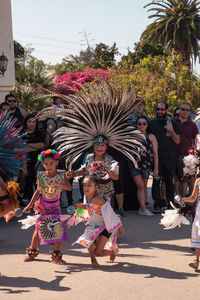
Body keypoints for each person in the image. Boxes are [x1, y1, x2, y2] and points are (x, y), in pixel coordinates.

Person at [23, 149, 72, 264]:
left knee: (57, 231)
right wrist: (29, 205)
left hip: (55, 208)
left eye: (51, 163)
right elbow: (38, 192)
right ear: (42, 164)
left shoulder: (61, 174)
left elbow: (69, 188)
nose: (49, 166)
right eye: (46, 164)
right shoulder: (41, 176)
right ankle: (32, 252)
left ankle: (56, 256)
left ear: (56, 162)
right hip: (42, 208)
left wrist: (57, 184)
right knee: (37, 231)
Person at [74, 175, 124, 267]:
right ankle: (93, 260)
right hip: (93, 225)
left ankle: (112, 253)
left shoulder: (98, 200)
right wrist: (79, 206)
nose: (86, 188)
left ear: (96, 187)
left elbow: (110, 212)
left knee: (99, 252)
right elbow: (88, 206)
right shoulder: (86, 196)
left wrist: (120, 227)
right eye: (84, 185)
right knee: (88, 240)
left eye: (89, 185)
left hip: (105, 226)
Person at [68, 136, 119, 203]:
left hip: (105, 193)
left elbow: (115, 177)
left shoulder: (109, 159)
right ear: (93, 146)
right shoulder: (89, 157)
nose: (99, 148)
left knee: (105, 212)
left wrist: (105, 167)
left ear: (106, 147)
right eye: (97, 145)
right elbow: (84, 170)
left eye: (102, 145)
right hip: (90, 192)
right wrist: (74, 173)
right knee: (89, 212)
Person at [150, 102, 180, 212]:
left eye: (162, 109)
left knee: (169, 183)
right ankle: (157, 205)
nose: (160, 111)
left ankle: (170, 205)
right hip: (156, 159)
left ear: (166, 110)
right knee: (156, 182)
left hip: (169, 158)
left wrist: (171, 130)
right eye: (158, 109)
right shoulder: (152, 123)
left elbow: (177, 141)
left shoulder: (173, 123)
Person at [129, 116, 158, 216]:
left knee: (144, 187)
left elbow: (155, 153)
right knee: (140, 186)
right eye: (139, 124)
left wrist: (156, 167)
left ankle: (142, 208)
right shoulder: (132, 136)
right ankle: (143, 208)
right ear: (136, 125)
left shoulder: (151, 137)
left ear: (147, 125)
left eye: (144, 123)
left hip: (147, 165)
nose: (141, 126)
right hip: (134, 165)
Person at [175, 102, 199, 197]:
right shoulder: (173, 121)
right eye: (183, 109)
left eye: (187, 110)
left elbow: (196, 139)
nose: (185, 111)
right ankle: (177, 199)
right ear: (179, 110)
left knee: (187, 178)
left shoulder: (192, 125)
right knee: (176, 178)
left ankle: (188, 201)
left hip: (188, 156)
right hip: (175, 153)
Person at [22, 114, 45, 203]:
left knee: (38, 182)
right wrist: (34, 147)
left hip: (38, 161)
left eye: (33, 122)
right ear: (26, 123)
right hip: (25, 161)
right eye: (29, 122)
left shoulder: (39, 133)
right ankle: (30, 202)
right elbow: (20, 148)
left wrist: (27, 146)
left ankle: (40, 202)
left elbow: (42, 145)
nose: (31, 124)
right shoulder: (22, 134)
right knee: (28, 182)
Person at [181, 177, 200, 270]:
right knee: (198, 236)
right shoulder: (198, 181)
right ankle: (196, 260)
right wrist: (184, 200)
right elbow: (193, 198)